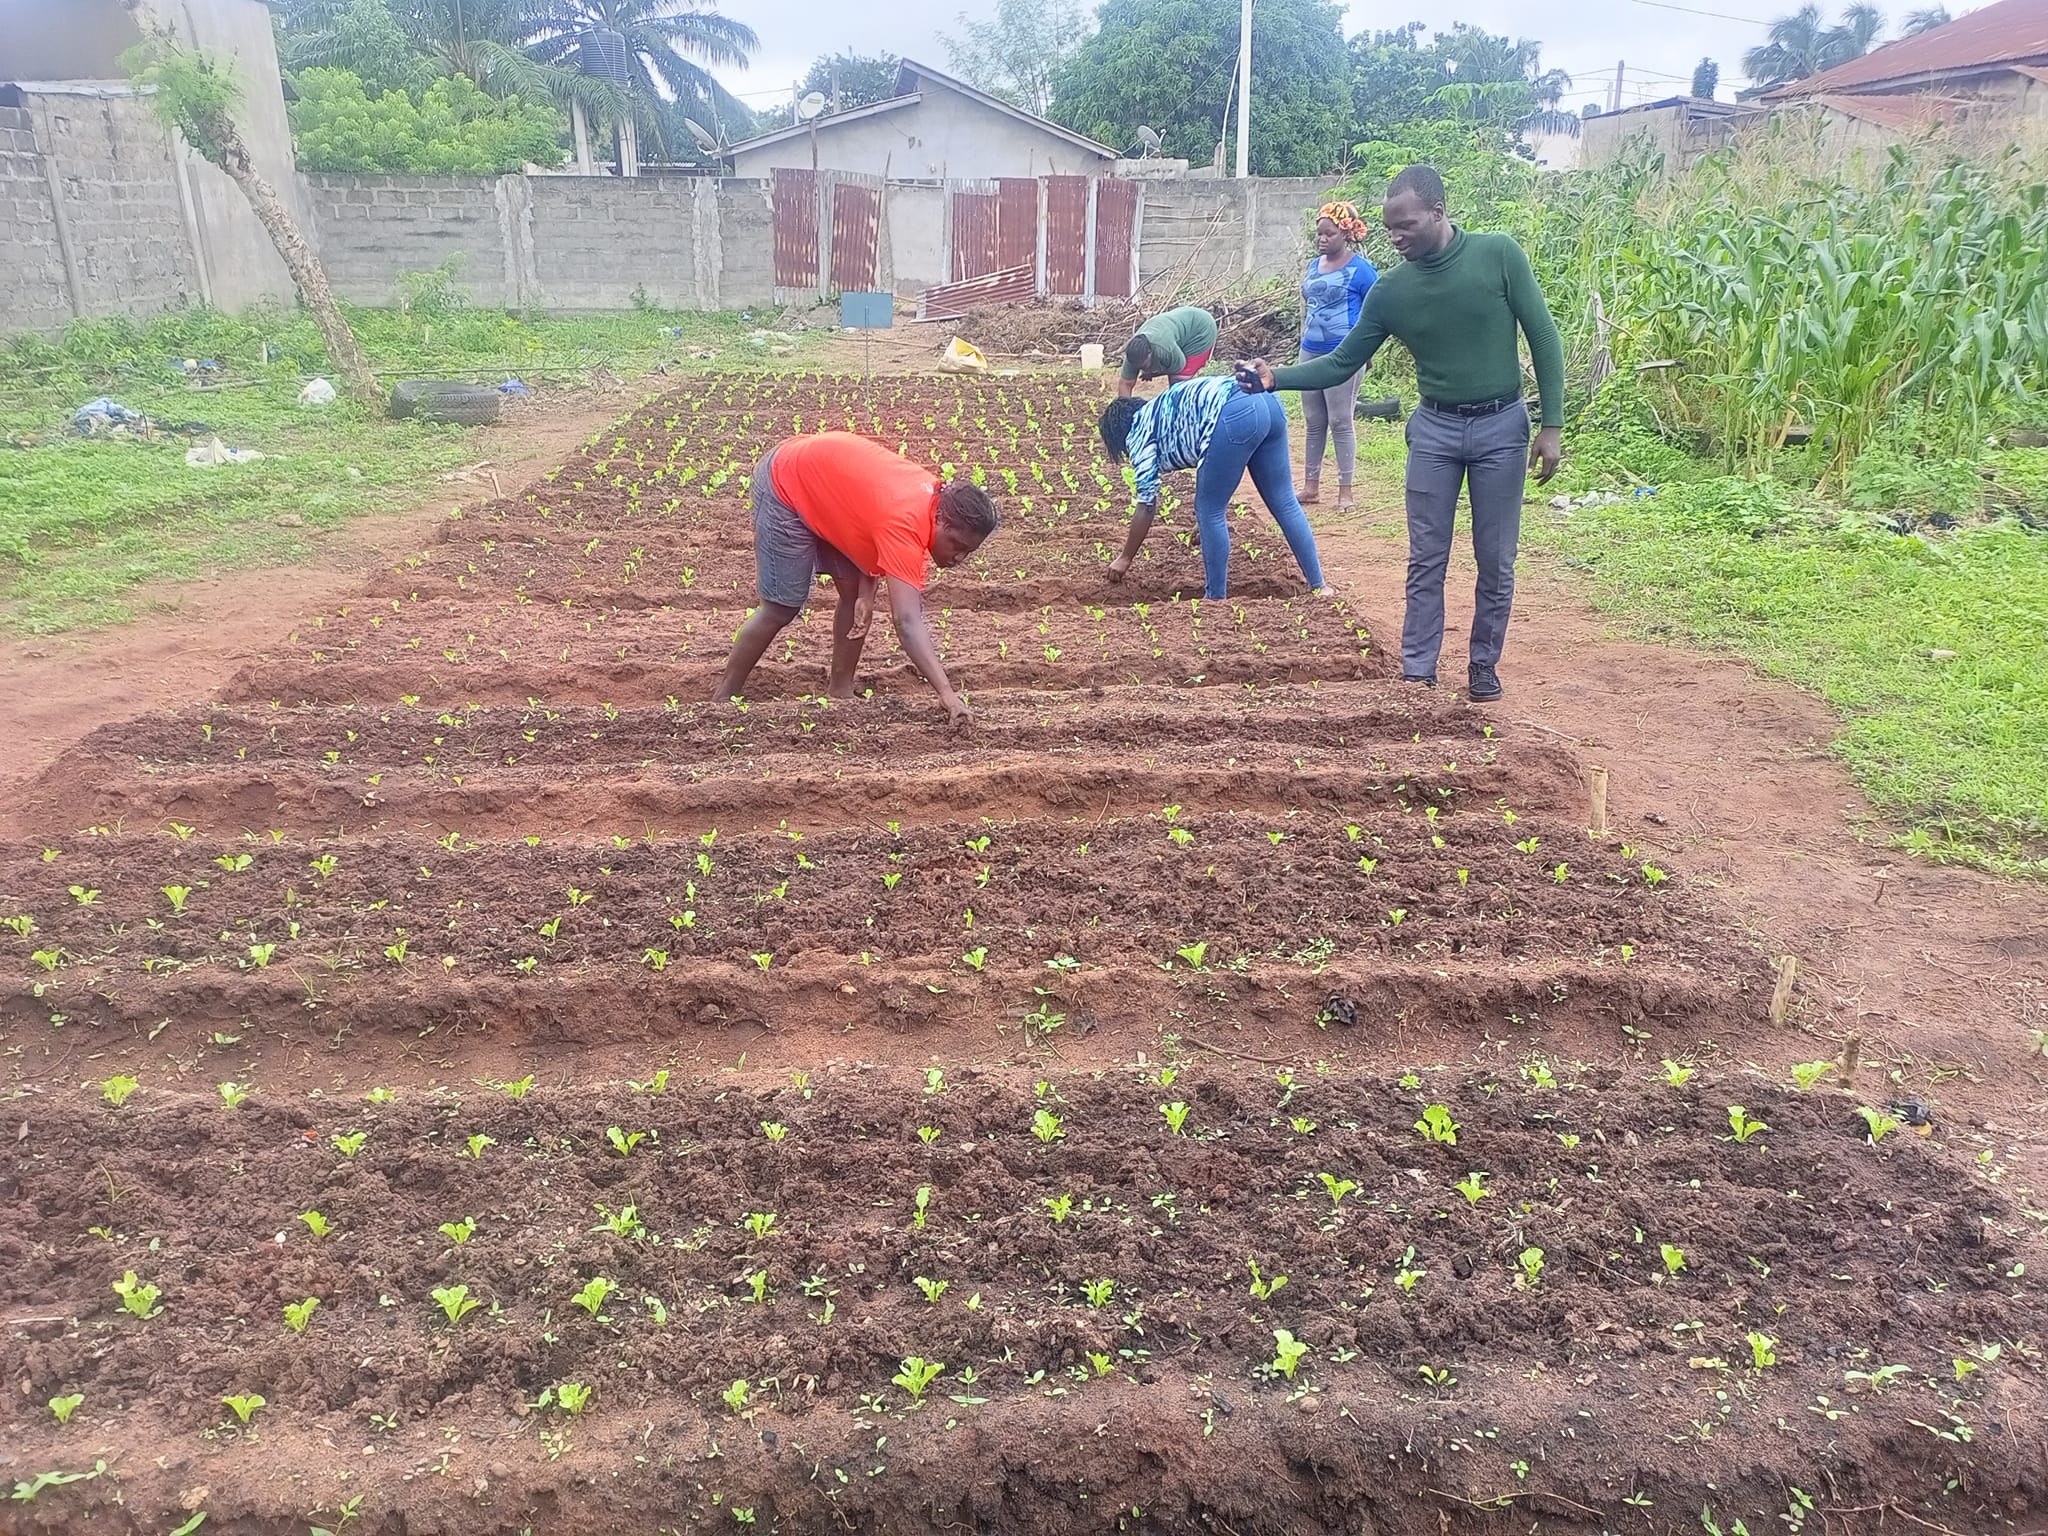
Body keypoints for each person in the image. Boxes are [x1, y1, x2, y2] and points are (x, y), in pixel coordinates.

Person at [1239, 164, 1563, 703]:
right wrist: (1277, 378)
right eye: (1391, 228)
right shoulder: (1391, 291)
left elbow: (1544, 335)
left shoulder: (1498, 255)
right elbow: (1342, 362)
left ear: (1438, 213)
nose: (1396, 237)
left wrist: (1551, 423)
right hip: (1434, 428)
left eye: (1406, 225)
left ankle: (1483, 665)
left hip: (1502, 428)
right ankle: (1418, 670)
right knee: (1426, 555)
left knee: (1495, 555)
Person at [713, 432, 999, 722]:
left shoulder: (932, 499)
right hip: (785, 481)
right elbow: (907, 620)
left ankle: (840, 691)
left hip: (823, 483)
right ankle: (723, 698)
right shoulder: (907, 522)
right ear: (940, 521)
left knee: (856, 599)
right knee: (781, 606)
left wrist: (866, 590)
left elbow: (866, 515)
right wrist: (947, 692)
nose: (959, 558)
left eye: (968, 552)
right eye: (957, 546)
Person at [1097, 377, 1329, 600]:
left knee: (1209, 509)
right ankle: (1319, 586)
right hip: (1267, 401)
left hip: (1234, 411)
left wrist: (1124, 558)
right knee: (1284, 501)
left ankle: (1215, 598)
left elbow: (1147, 504)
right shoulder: (1160, 409)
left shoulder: (1139, 432)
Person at [1297, 201, 1379, 512]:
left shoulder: (1362, 271)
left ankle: (1345, 491)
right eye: (1319, 234)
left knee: (1341, 421)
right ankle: (1311, 487)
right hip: (1310, 351)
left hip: (1343, 354)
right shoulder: (1313, 266)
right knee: (1314, 420)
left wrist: (1365, 351)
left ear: (1345, 233)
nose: (1322, 239)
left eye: (1328, 233)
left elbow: (1376, 313)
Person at [1115, 305, 1220, 398]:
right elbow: (1125, 384)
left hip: (1200, 329)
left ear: (1150, 352)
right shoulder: (1133, 351)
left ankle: (1181, 415)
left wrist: (1152, 373)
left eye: (1144, 365)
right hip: (1179, 324)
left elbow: (1180, 366)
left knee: (1178, 384)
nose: (1141, 369)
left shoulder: (1164, 348)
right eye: (1138, 367)